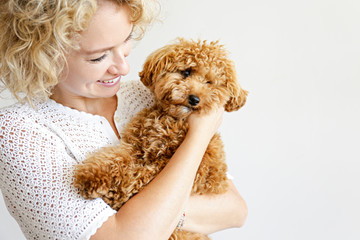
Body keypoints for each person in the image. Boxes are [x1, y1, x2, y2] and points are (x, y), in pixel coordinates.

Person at [0, 0, 248, 239]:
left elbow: (235, 210)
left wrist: (151, 212)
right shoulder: (18, 132)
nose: (123, 67)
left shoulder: (148, 95)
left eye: (126, 40)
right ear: (42, 55)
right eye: (98, 57)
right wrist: (199, 135)